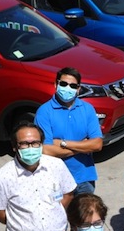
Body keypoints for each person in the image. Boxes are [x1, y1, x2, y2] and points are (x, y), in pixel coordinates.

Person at [35, 67, 104, 195]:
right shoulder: (44, 112)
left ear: (78, 89)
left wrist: (63, 143)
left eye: (73, 86)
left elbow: (97, 144)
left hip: (84, 178)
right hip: (56, 180)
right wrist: (83, 146)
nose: (67, 88)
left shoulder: (87, 109)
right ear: (56, 85)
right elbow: (46, 151)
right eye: (63, 84)